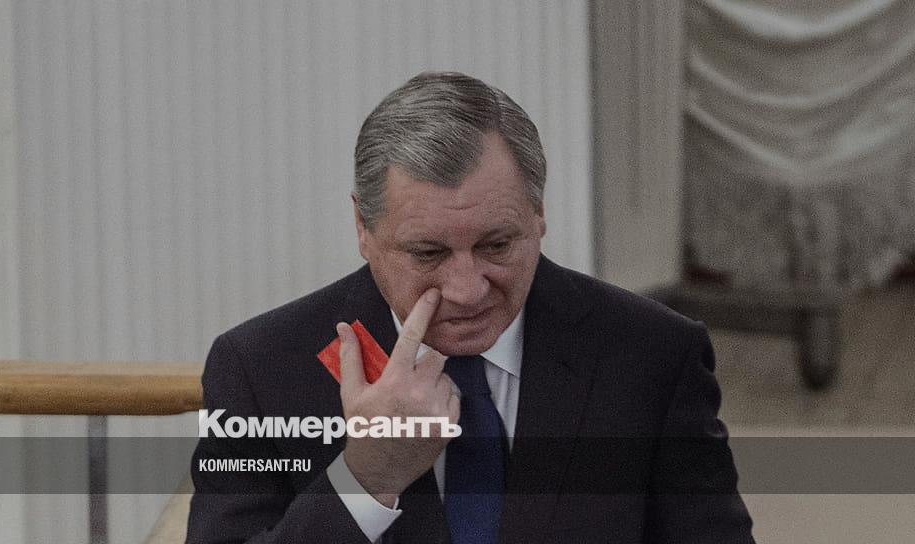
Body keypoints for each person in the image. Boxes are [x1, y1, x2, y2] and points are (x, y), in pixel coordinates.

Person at [187, 71, 755, 543]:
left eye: (496, 245)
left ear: (539, 213)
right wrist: (366, 478)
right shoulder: (260, 369)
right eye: (428, 253)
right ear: (362, 226)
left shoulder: (654, 355)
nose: (467, 289)